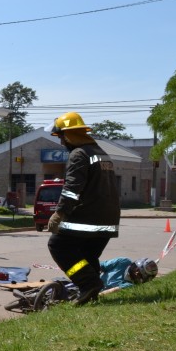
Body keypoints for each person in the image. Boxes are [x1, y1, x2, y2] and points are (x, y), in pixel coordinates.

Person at [46, 111, 120, 305]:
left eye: (61, 136)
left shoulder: (79, 154)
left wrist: (59, 213)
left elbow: (71, 189)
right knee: (87, 255)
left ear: (69, 134)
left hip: (89, 217)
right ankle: (91, 292)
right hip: (109, 219)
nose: (61, 142)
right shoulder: (101, 153)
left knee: (58, 245)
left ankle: (88, 284)